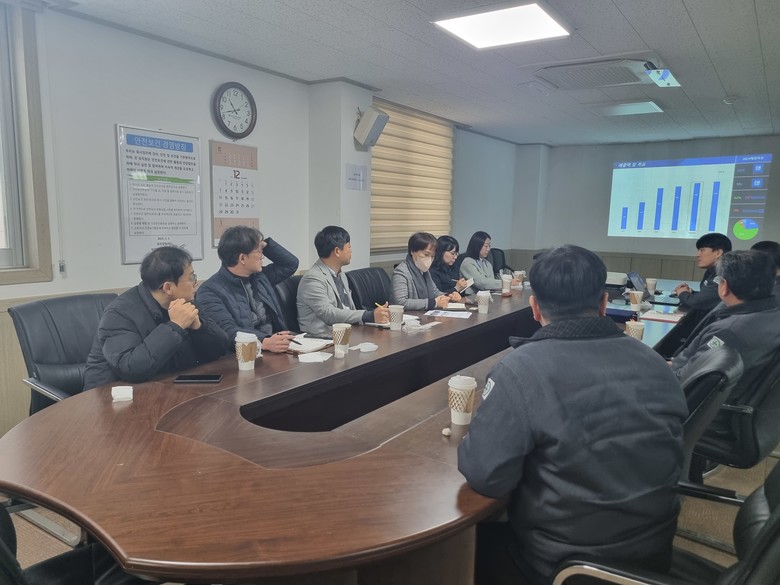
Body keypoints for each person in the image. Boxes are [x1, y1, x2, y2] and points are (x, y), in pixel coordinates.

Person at [458, 244, 686, 585]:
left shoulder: (519, 371)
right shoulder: (657, 363)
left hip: (566, 566)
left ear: (534, 308)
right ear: (604, 303)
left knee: (458, 548)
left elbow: (485, 477)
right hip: (653, 553)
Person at [84, 246, 228, 390]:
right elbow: (131, 368)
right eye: (191, 278)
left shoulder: (185, 303)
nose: (195, 283)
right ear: (168, 288)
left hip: (168, 388)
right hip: (111, 396)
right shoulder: (119, 314)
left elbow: (220, 349)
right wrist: (175, 326)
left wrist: (199, 327)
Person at [670, 250, 780, 391]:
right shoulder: (771, 314)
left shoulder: (728, 331)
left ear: (724, 287)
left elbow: (683, 379)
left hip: (681, 394)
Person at [196, 226, 299, 353]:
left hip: (276, 346)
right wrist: (264, 341)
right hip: (245, 354)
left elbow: (291, 264)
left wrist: (265, 245)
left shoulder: (260, 277)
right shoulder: (209, 291)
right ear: (242, 258)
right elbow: (227, 331)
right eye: (259, 252)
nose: (262, 256)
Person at [297, 226, 390, 336]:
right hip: (322, 338)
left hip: (347, 333)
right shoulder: (313, 279)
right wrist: (368, 315)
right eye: (349, 247)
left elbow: (349, 309)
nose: (351, 251)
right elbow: (329, 314)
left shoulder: (341, 274)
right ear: (337, 251)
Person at [392, 232, 461, 310]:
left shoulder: (424, 270)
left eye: (432, 256)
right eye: (426, 254)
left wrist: (449, 296)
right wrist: (433, 303)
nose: (429, 259)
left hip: (422, 313)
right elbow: (401, 302)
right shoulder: (401, 272)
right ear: (412, 251)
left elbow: (435, 292)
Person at [674, 232, 732, 311]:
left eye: (702, 250)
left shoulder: (723, 274)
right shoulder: (712, 270)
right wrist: (691, 293)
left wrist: (682, 293)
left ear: (718, 253)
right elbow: (709, 298)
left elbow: (697, 303)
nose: (698, 254)